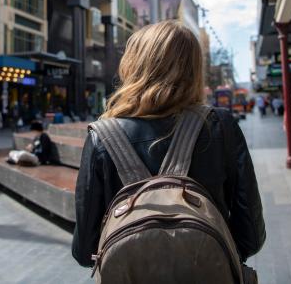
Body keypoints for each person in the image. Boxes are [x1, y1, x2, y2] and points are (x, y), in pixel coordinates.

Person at [72, 20, 265, 274]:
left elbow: (85, 251)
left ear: (133, 66)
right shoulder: (221, 126)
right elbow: (250, 236)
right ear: (194, 70)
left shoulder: (102, 136)